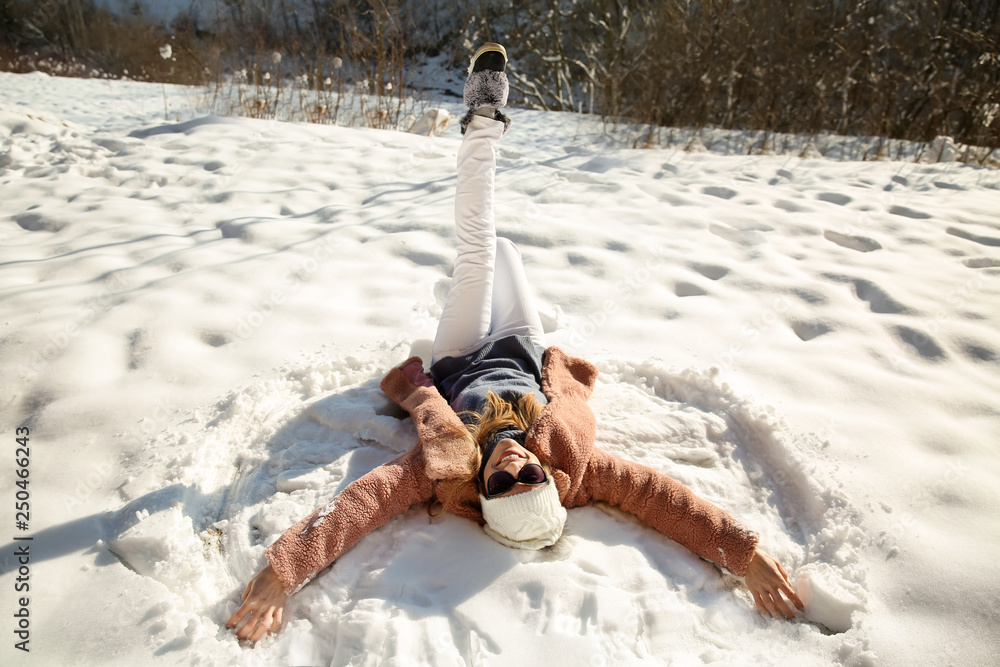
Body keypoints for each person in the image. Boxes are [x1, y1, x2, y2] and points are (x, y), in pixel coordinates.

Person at [226, 43, 803, 643]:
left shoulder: (447, 468)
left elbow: (361, 505)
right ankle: (484, 190)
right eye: (531, 480)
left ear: (485, 494)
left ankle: (482, 123)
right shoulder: (574, 465)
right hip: (523, 347)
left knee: (478, 250)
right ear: (549, 482)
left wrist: (282, 573)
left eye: (503, 486)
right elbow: (664, 501)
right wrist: (744, 555)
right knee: (505, 253)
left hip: (460, 351)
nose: (514, 469)